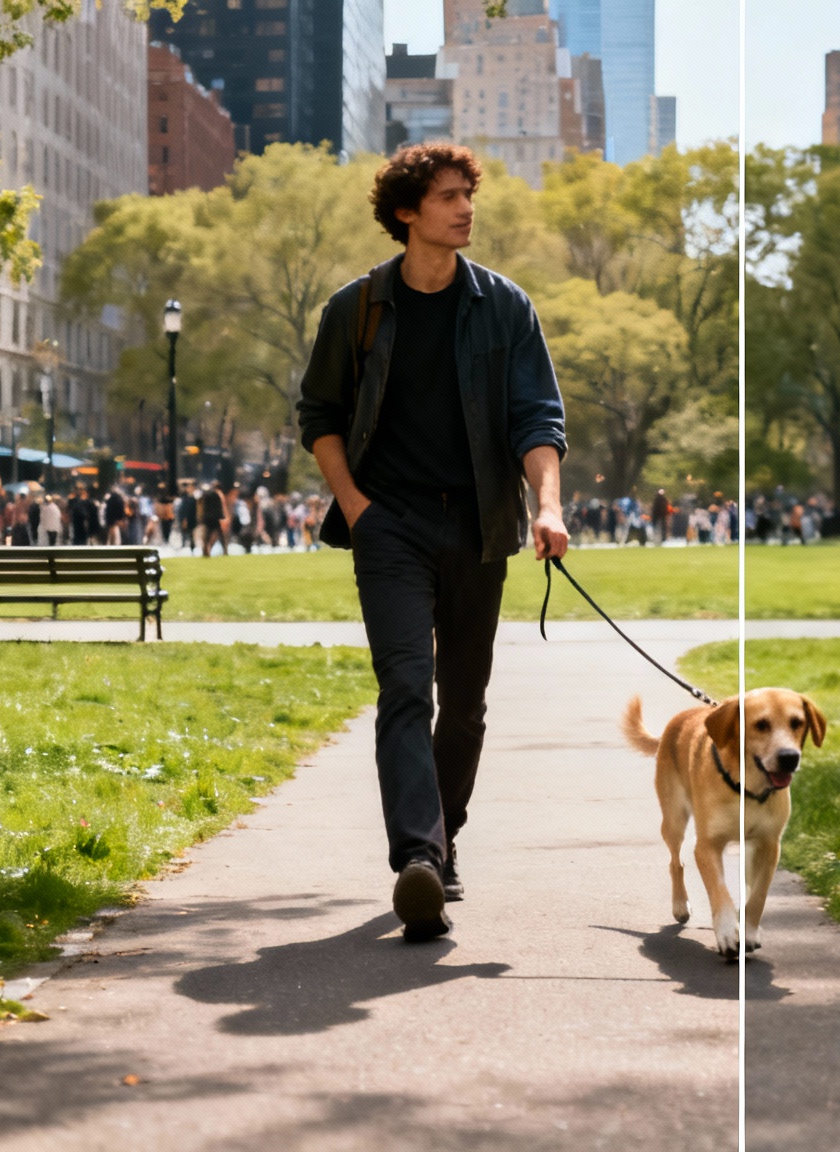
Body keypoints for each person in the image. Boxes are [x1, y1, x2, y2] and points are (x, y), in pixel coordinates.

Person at [297, 142, 568, 944]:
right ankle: (417, 856)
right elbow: (320, 416)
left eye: (468, 196)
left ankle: (443, 840)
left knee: (465, 702)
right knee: (406, 687)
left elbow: (537, 420)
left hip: (481, 522)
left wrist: (547, 506)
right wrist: (358, 506)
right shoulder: (357, 310)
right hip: (391, 525)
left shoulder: (505, 307)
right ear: (407, 213)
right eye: (449, 197)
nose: (465, 209)